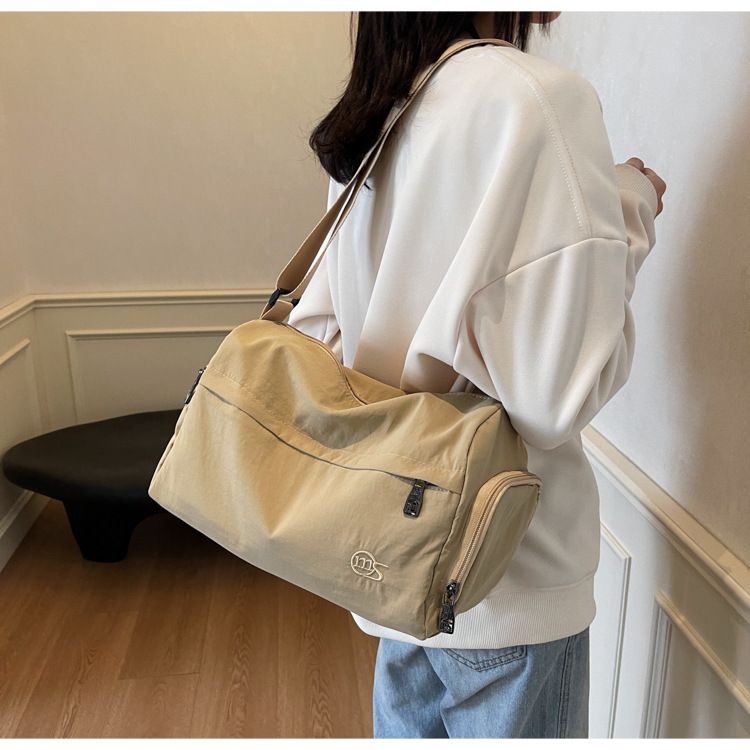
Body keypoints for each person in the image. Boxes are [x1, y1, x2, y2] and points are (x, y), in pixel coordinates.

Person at [288, 11, 666, 739]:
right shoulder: (540, 99)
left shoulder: (380, 112)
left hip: (394, 558)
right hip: (509, 571)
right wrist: (629, 206)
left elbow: (321, 334)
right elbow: (556, 399)